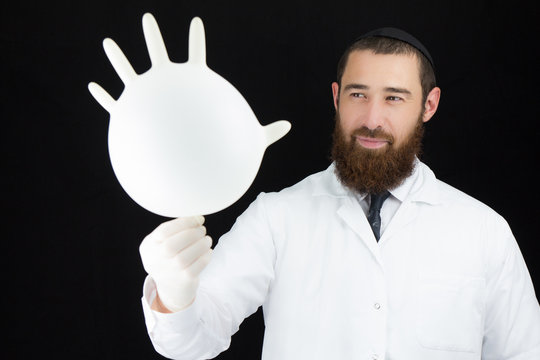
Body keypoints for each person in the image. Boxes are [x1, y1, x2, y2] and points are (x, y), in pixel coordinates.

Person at [139, 28, 540, 360]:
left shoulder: (484, 231)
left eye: (394, 98)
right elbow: (193, 341)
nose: (371, 119)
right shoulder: (276, 218)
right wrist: (174, 296)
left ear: (428, 105)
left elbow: (523, 352)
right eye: (358, 94)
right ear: (336, 97)